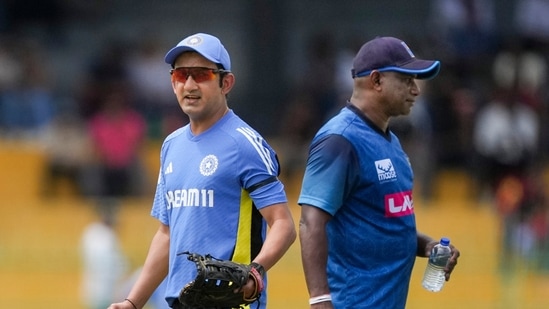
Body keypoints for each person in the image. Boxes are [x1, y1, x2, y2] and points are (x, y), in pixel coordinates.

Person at [108, 33, 296, 309]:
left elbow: (283, 224)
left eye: (202, 75)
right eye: (181, 75)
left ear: (226, 83)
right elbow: (166, 235)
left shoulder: (244, 144)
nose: (190, 84)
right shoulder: (171, 145)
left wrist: (255, 272)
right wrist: (133, 302)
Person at [298, 36, 461, 308]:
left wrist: (426, 245)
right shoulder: (341, 139)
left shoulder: (391, 142)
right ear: (376, 81)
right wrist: (320, 300)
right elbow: (310, 222)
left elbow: (385, 223)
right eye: (407, 80)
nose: (416, 90)